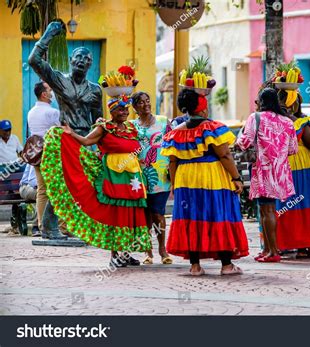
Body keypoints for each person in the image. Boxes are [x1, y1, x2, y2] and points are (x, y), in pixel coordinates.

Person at [41, 95, 151, 267]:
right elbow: (86, 141)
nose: (124, 112)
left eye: (126, 109)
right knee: (116, 214)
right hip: (113, 178)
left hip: (133, 178)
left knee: (130, 214)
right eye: (120, 109)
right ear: (112, 111)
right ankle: (115, 255)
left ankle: (127, 253)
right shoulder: (104, 127)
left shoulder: (131, 128)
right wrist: (71, 134)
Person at [161, 89, 248, 275]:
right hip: (211, 177)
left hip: (185, 178)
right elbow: (224, 154)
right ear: (203, 109)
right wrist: (236, 177)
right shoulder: (212, 128)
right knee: (217, 213)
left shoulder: (175, 132)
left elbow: (172, 161)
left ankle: (195, 266)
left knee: (191, 217)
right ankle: (226, 265)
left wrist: (175, 185)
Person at [236, 88, 298, 263]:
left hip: (263, 170)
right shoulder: (287, 121)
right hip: (280, 171)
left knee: (267, 210)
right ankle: (267, 249)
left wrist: (237, 142)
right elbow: (293, 149)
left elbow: (245, 141)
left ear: (261, 101)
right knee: (266, 210)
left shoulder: (255, 118)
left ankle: (273, 251)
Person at [275, 90, 310, 258]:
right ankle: (303, 246)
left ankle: (284, 244)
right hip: (303, 168)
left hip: (282, 168)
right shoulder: (301, 123)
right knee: (305, 207)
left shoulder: (273, 122)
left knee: (284, 207)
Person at [28, 22, 102, 137]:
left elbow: (98, 123)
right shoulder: (59, 80)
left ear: (90, 64)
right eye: (78, 57)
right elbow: (34, 60)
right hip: (67, 137)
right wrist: (48, 34)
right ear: (71, 60)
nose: (82, 60)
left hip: (86, 139)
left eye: (86, 59)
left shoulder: (95, 90)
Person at [131, 91, 173, 265]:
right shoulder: (131, 125)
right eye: (141, 102)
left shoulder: (164, 121)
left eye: (147, 101)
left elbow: (173, 145)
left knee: (158, 213)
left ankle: (163, 249)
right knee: (144, 215)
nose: (146, 104)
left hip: (160, 174)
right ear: (134, 107)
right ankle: (148, 252)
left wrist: (173, 168)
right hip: (138, 175)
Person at [27, 81, 61, 235]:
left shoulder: (31, 112)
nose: (52, 91)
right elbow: (59, 133)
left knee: (42, 190)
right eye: (49, 89)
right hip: (51, 154)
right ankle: (60, 226)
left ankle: (42, 225)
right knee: (57, 189)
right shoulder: (52, 112)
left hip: (36, 154)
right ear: (44, 94)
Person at [19, 164, 40, 237]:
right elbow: (32, 180)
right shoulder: (36, 155)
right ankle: (36, 226)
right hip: (26, 187)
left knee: (44, 193)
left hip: (37, 187)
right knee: (42, 194)